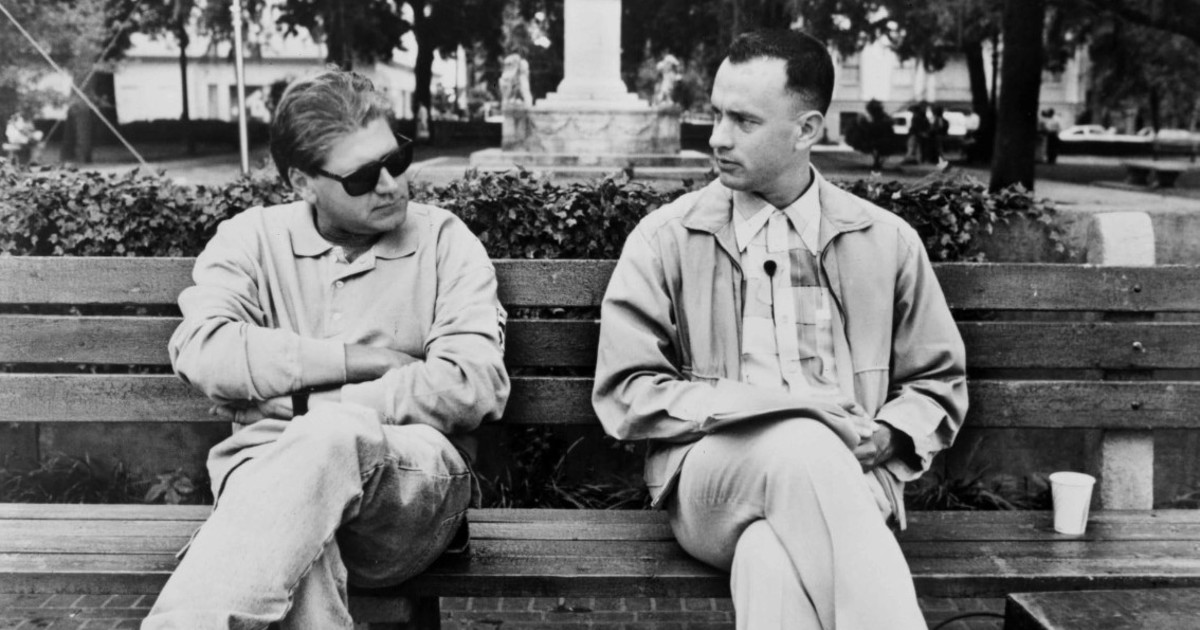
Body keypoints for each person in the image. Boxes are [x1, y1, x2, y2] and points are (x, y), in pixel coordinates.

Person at [593, 29, 967, 630]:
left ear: (807, 130)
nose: (718, 137)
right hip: (713, 481)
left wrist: (888, 437)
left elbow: (938, 381)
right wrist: (779, 410)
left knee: (769, 560)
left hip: (853, 477)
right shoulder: (666, 238)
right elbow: (627, 392)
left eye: (743, 120)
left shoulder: (885, 241)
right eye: (717, 114)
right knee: (801, 442)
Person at [143, 68, 510, 629]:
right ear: (302, 182)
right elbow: (202, 349)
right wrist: (358, 361)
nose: (390, 184)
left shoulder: (444, 241)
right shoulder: (251, 238)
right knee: (300, 541)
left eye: (397, 159)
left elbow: (472, 382)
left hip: (408, 497)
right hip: (270, 492)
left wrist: (310, 406)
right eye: (361, 177)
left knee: (327, 440)